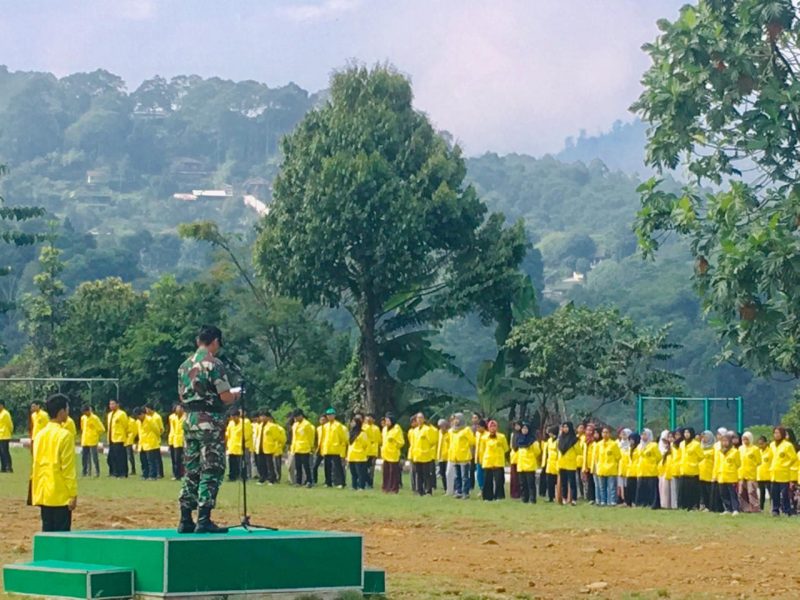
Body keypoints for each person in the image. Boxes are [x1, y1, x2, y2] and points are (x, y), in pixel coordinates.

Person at [177, 325, 240, 534]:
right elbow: (225, 397)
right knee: (211, 467)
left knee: (191, 468)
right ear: (215, 341)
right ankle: (204, 518)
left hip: (189, 420)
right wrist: (237, 395)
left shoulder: (184, 366)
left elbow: (182, 397)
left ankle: (185, 518)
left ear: (198, 341)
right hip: (209, 422)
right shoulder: (214, 364)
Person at [31, 394, 77, 532]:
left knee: (47, 531)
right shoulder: (65, 435)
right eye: (67, 409)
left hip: (43, 492)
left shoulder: (40, 435)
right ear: (61, 412)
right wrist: (72, 494)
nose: (68, 412)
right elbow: (68, 468)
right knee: (61, 535)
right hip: (60, 494)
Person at [769, 426, 797, 516]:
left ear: (782, 434)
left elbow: (793, 458)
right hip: (774, 473)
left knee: (785, 494)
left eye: (778, 433)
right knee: (774, 493)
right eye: (775, 433)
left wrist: (786, 464)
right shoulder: (772, 444)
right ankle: (775, 510)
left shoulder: (788, 445)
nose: (776, 435)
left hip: (784, 474)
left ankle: (786, 510)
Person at [409, 412, 438, 496]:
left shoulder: (427, 429)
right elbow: (413, 444)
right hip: (417, 455)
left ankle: (428, 490)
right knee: (418, 474)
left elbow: (433, 441)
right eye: (418, 418)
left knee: (426, 474)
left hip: (425, 455)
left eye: (421, 418)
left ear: (424, 419)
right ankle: (419, 490)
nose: (419, 420)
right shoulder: (415, 431)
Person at [447, 413, 474, 500]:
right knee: (456, 475)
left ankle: (465, 492)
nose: (455, 421)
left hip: (464, 456)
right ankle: (458, 491)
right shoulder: (451, 431)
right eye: (454, 419)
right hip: (454, 456)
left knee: (464, 476)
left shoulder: (466, 430)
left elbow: (472, 441)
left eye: (457, 419)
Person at [480, 420, 508, 501]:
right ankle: (487, 497)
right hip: (488, 461)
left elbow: (506, 448)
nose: (492, 428)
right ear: (488, 428)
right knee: (487, 480)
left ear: (497, 427)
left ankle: (499, 496)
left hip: (498, 461)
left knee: (499, 480)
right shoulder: (484, 437)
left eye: (494, 426)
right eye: (491, 427)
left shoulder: (502, 437)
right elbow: (482, 450)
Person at [321, 408, 348, 488]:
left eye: (331, 415)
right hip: (327, 448)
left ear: (334, 415)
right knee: (327, 466)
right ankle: (328, 482)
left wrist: (341, 447)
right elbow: (324, 437)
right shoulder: (325, 426)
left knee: (338, 466)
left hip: (335, 449)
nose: (329, 417)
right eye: (328, 415)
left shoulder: (338, 425)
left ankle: (341, 482)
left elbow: (342, 437)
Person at [595, 426, 621, 506]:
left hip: (611, 468)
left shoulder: (613, 444)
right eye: (603, 432)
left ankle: (612, 501)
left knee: (612, 486)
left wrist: (613, 464)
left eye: (607, 432)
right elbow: (596, 457)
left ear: (609, 434)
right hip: (601, 468)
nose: (605, 434)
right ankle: (603, 501)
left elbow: (618, 456)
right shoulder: (598, 445)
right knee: (602, 487)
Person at [678, 427, 703, 510]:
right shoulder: (681, 444)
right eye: (685, 432)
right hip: (683, 470)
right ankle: (683, 506)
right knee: (683, 490)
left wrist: (693, 463)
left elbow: (701, 456)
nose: (686, 434)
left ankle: (693, 506)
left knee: (692, 490)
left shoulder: (696, 444)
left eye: (688, 432)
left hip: (693, 471)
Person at [516, 422, 541, 504]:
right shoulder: (519, 439)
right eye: (523, 428)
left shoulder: (533, 440)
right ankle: (524, 498)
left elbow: (537, 452)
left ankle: (532, 499)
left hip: (530, 464)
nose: (524, 430)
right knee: (522, 483)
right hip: (521, 464)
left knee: (531, 483)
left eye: (526, 429)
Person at [717, 433, 741, 515]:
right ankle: (727, 508)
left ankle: (735, 509)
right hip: (722, 476)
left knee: (732, 494)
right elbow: (718, 463)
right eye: (723, 441)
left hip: (731, 476)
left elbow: (738, 464)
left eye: (726, 441)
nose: (724, 443)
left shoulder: (734, 451)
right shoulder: (720, 452)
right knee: (723, 494)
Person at [557, 421, 580, 505]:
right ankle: (564, 498)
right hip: (562, 463)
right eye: (563, 427)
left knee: (572, 482)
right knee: (563, 482)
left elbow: (579, 451)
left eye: (566, 427)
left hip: (570, 463)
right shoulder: (560, 438)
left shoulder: (574, 439)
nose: (565, 429)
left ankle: (574, 499)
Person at [635, 428, 660, 508]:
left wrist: (652, 462)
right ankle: (642, 503)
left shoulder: (653, 445)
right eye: (642, 434)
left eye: (645, 434)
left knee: (652, 489)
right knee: (641, 488)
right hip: (641, 470)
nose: (643, 436)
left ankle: (653, 504)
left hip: (651, 470)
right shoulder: (639, 446)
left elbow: (659, 457)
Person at [381, 413, 404, 494]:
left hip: (393, 454)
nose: (386, 422)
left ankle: (394, 488)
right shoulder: (384, 429)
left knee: (393, 472)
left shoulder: (397, 429)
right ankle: (385, 488)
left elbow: (401, 442)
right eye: (386, 420)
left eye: (388, 420)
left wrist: (394, 441)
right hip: (385, 454)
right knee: (385, 472)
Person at [290, 409, 314, 487]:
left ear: (301, 415)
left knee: (306, 466)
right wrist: (292, 448)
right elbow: (294, 437)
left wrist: (311, 447)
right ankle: (298, 481)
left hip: (305, 448)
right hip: (297, 448)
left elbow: (311, 437)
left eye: (297, 417)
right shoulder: (295, 425)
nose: (295, 419)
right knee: (298, 466)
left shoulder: (307, 425)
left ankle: (309, 481)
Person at [738, 431, 761, 513]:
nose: (745, 441)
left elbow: (759, 461)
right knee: (742, 492)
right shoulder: (740, 448)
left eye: (747, 439)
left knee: (752, 492)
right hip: (742, 473)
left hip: (751, 474)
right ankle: (744, 508)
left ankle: (755, 509)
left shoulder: (755, 449)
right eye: (744, 439)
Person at [79, 406, 105, 477]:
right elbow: (82, 428)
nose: (85, 414)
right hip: (85, 440)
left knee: (94, 457)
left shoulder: (95, 418)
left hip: (92, 440)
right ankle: (85, 472)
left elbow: (101, 429)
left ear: (89, 411)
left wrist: (95, 434)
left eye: (86, 412)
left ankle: (97, 472)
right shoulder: (83, 418)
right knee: (84, 457)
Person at [136, 407, 161, 480]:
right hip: (142, 443)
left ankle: (153, 475)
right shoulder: (138, 422)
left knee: (151, 461)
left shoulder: (150, 420)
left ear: (143, 414)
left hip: (151, 443)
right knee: (143, 460)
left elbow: (157, 430)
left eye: (139, 415)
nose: (138, 417)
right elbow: (139, 433)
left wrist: (155, 439)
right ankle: (145, 474)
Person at [106, 399, 129, 478]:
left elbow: (126, 426)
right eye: (110, 404)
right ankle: (114, 472)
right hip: (111, 438)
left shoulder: (122, 414)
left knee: (120, 457)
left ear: (117, 404)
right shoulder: (109, 415)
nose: (111, 406)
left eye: (113, 404)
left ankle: (122, 473)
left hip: (119, 438)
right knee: (111, 458)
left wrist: (125, 436)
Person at [347, 416, 370, 490]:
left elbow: (365, 444)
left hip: (359, 456)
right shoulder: (351, 432)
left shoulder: (362, 433)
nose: (351, 423)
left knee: (360, 473)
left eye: (353, 422)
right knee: (353, 472)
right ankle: (354, 486)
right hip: (351, 455)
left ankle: (361, 486)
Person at [144, 404, 165, 479]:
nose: (146, 411)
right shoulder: (148, 417)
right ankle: (156, 472)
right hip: (149, 440)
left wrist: (158, 435)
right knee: (153, 458)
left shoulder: (157, 417)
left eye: (147, 409)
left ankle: (160, 473)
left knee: (157, 458)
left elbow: (161, 428)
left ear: (150, 409)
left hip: (156, 439)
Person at [657, 430, 676, 509]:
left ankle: (673, 505)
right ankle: (664, 504)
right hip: (662, 470)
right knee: (663, 489)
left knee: (672, 489)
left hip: (671, 469)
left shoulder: (673, 447)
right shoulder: (661, 447)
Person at [225, 409, 245, 481]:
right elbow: (227, 434)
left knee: (240, 463)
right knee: (232, 463)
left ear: (238, 416)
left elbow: (247, 434)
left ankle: (241, 476)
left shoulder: (244, 423)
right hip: (232, 446)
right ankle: (232, 476)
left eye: (234, 417)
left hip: (240, 446)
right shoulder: (230, 423)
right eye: (232, 417)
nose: (233, 419)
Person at [698, 430, 715, 510]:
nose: (704, 439)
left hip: (710, 473)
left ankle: (710, 506)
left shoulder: (714, 448)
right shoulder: (700, 447)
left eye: (706, 437)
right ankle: (703, 505)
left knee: (710, 491)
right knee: (702, 491)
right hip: (701, 473)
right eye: (703, 437)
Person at [168, 404, 186, 480]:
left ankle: (183, 474)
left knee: (183, 459)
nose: (177, 410)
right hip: (175, 440)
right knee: (176, 459)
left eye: (178, 409)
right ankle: (176, 474)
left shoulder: (186, 417)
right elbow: (172, 430)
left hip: (183, 440)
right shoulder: (173, 417)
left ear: (182, 409)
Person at [363, 414, 381, 489]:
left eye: (371, 418)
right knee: (363, 468)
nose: (369, 420)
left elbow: (379, 440)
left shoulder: (376, 428)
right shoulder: (363, 427)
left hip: (373, 451)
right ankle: (364, 482)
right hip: (364, 451)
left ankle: (370, 483)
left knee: (371, 469)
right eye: (367, 418)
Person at [543, 426, 559, 502]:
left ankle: (557, 496)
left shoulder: (558, 441)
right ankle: (550, 497)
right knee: (549, 481)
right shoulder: (549, 440)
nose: (549, 434)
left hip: (556, 462)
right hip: (549, 463)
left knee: (556, 481)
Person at [756, 435, 772, 511]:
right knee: (762, 493)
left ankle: (773, 507)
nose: (761, 445)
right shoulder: (758, 451)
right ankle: (761, 508)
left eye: (762, 443)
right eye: (759, 444)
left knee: (771, 492)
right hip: (760, 475)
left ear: (766, 443)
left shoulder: (770, 451)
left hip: (769, 475)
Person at [436, 418, 450, 493]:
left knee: (448, 473)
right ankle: (445, 488)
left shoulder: (450, 433)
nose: (441, 428)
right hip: (440, 456)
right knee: (442, 473)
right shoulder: (439, 433)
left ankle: (450, 488)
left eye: (443, 426)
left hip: (447, 457)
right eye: (440, 426)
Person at [0, 399, 14, 473]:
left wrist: (11, 431)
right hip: (0, 435)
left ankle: (9, 467)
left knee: (5, 452)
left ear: (2, 405)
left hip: (5, 435)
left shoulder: (5, 413)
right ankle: (3, 467)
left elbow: (9, 424)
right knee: (1, 453)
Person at [125, 411, 138, 476]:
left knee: (130, 456)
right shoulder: (124, 421)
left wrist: (131, 438)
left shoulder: (132, 421)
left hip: (129, 440)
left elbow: (134, 431)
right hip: (123, 439)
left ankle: (133, 469)